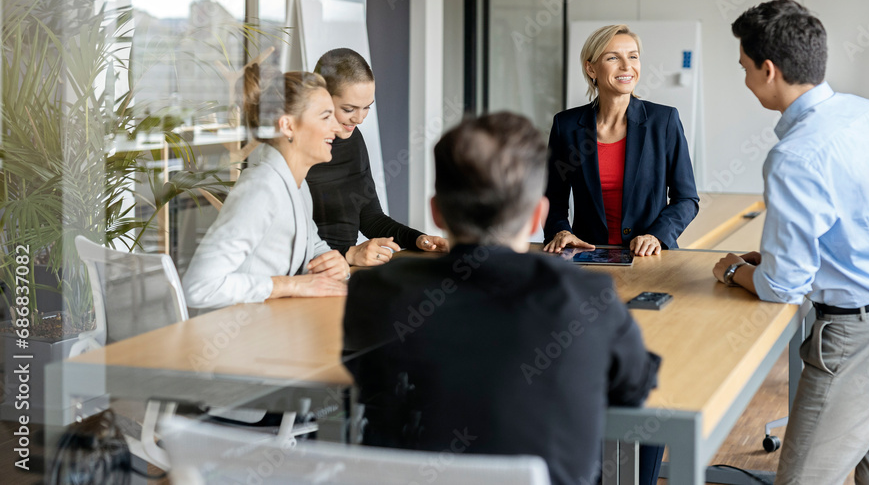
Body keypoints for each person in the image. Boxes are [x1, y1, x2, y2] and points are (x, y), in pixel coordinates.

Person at [342, 113, 662, 485]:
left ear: (436, 212)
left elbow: (368, 379)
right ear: (537, 218)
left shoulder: (375, 290)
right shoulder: (587, 296)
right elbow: (635, 387)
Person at [713, 0, 869, 485]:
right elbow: (868, 221)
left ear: (768, 70)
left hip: (861, 340)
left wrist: (734, 271)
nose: (745, 80)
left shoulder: (794, 156)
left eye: (745, 68)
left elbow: (782, 286)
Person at [183, 67, 350, 310]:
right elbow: (198, 287)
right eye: (326, 117)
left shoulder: (297, 185)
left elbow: (311, 245)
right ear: (288, 126)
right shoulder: (261, 189)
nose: (337, 127)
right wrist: (292, 285)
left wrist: (335, 263)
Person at [543, 24, 699, 256]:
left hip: (649, 258)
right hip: (587, 256)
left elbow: (686, 198)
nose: (627, 66)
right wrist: (560, 231)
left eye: (633, 56)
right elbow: (552, 199)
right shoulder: (565, 126)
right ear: (591, 68)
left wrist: (656, 236)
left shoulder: (664, 121)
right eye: (613, 57)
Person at [307, 48, 449, 267]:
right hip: (308, 277)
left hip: (343, 273)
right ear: (320, 96)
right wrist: (348, 254)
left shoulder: (353, 140)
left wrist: (417, 239)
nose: (359, 119)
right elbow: (285, 242)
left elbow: (370, 217)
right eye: (349, 109)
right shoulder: (295, 150)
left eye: (366, 108)